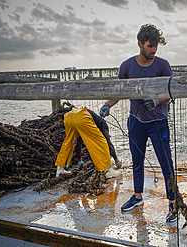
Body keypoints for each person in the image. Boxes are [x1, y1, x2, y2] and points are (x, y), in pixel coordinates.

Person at [99, 24, 177, 222]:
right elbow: (120, 92)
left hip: (158, 121)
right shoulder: (127, 66)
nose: (153, 50)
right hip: (136, 121)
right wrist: (108, 105)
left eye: (156, 46)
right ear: (140, 44)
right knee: (137, 162)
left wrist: (157, 101)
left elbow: (170, 92)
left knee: (166, 162)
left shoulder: (162, 65)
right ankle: (137, 196)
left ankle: (173, 203)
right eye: (150, 46)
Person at [54, 107, 122, 179]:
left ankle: (60, 170)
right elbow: (109, 144)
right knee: (102, 141)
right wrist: (116, 160)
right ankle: (108, 170)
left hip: (69, 116)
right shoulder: (103, 124)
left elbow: (79, 141)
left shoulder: (90, 118)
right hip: (82, 117)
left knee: (68, 143)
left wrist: (79, 159)